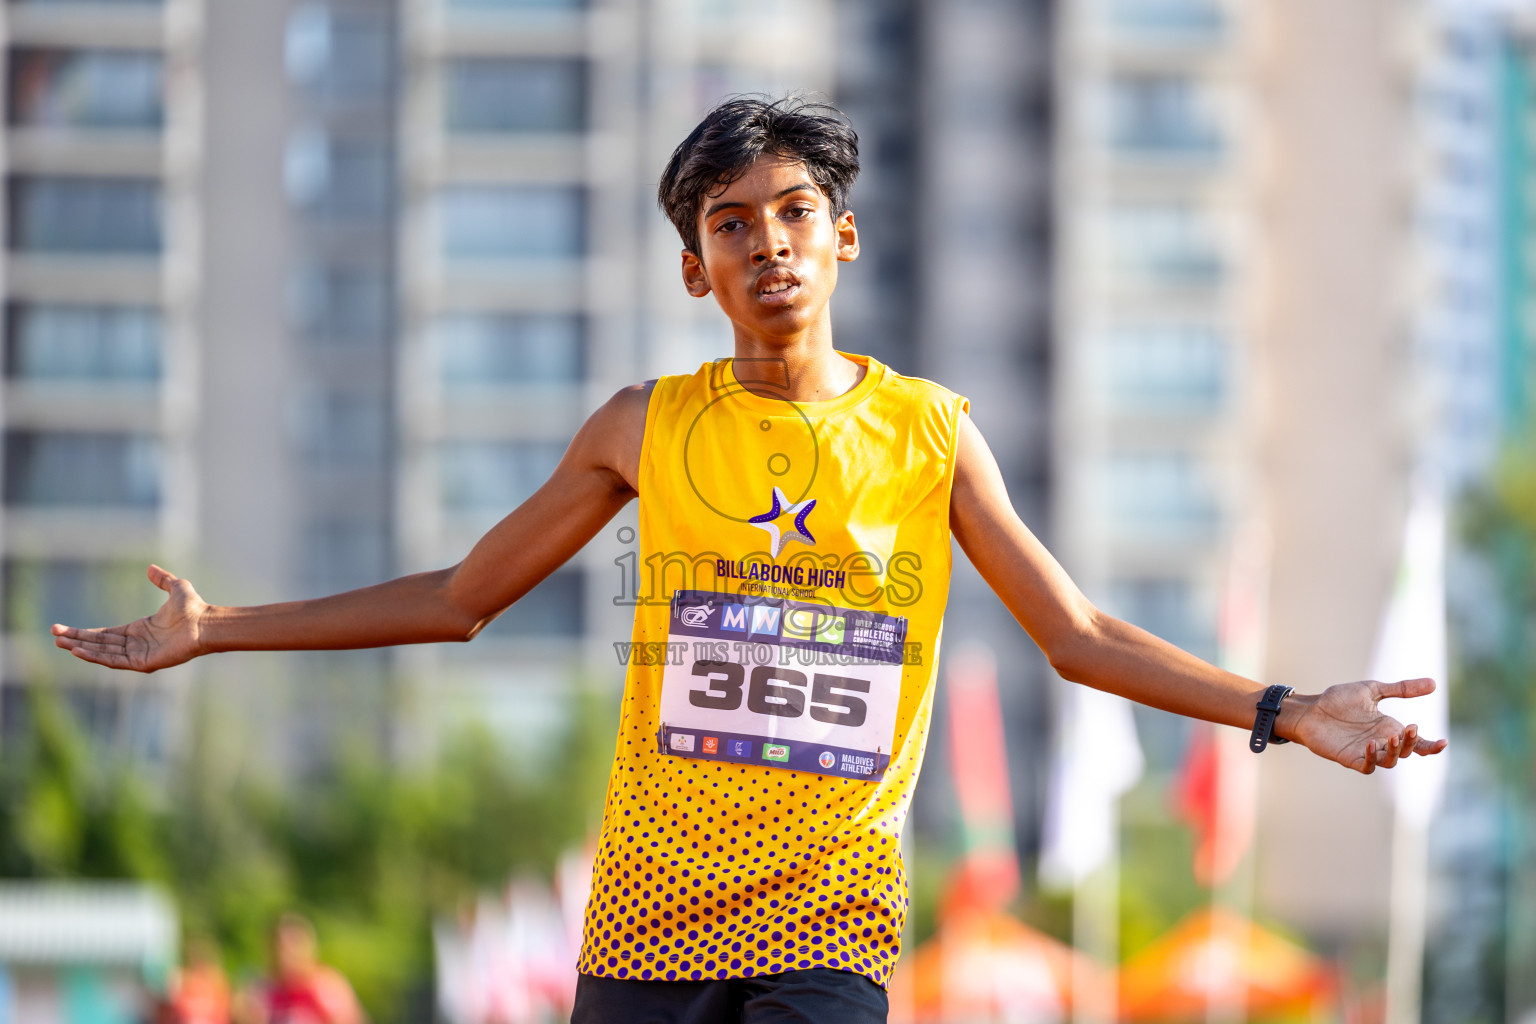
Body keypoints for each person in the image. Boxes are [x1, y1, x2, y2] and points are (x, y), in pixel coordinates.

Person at [52, 96, 1446, 1024]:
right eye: (730, 224)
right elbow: (460, 599)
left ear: (842, 238)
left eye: (791, 215)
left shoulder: (928, 433)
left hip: (830, 919)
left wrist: (1282, 710)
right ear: (692, 268)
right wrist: (217, 625)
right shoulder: (640, 429)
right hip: (650, 916)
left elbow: (1075, 633)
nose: (767, 245)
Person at [232, 913, 365, 1024]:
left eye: (292, 945)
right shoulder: (260, 989)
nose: (285, 954)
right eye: (280, 947)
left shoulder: (327, 986)